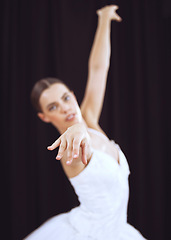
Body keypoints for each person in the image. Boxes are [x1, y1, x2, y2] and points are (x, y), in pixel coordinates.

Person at [25, 5, 147, 240]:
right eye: (53, 107)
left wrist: (103, 20)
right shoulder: (69, 148)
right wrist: (78, 128)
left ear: (72, 94)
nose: (65, 107)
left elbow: (99, 69)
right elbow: (80, 141)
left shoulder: (88, 118)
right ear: (44, 117)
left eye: (65, 98)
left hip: (119, 231)